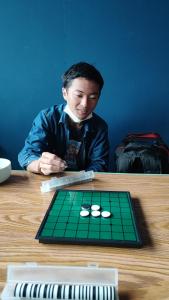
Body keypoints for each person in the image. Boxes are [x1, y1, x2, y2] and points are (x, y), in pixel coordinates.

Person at [18, 62, 109, 175]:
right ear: (65, 93)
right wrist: (40, 165)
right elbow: (27, 153)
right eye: (79, 95)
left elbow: (100, 164)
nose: (85, 104)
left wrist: (79, 178)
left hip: (85, 184)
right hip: (48, 182)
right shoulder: (47, 118)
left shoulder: (100, 126)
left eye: (93, 97)